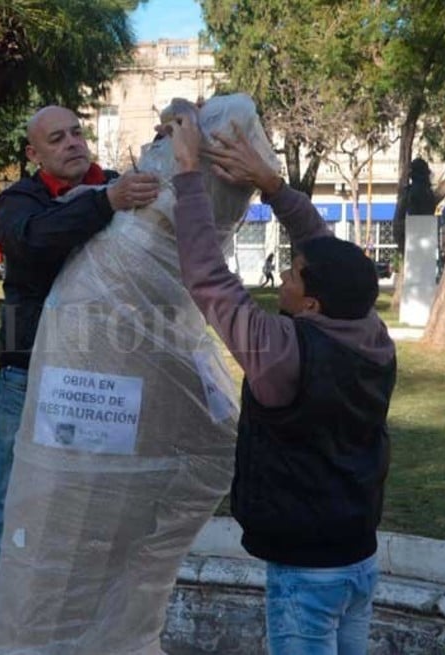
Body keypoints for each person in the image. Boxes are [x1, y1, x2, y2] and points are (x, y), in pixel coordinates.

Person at [166, 109, 396, 654]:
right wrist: (271, 186)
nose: (284, 278)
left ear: (311, 302)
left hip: (307, 573)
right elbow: (329, 255)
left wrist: (187, 173)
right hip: (358, 557)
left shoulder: (281, 354)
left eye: (291, 275)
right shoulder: (372, 334)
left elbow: (207, 277)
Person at [0, 105, 160, 655]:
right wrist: (106, 203)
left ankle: (83, 629)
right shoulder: (21, 201)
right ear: (34, 153)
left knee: (100, 509)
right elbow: (33, 240)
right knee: (5, 512)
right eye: (57, 137)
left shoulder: (120, 187)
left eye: (76, 132)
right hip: (29, 378)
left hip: (105, 381)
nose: (73, 142)